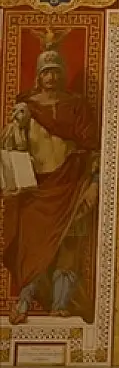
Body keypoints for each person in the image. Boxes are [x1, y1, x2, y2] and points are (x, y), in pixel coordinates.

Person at [1, 39, 100, 324]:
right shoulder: (27, 107)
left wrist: (93, 184)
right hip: (38, 190)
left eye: (56, 70)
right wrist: (17, 127)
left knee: (69, 246)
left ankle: (60, 304)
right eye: (47, 71)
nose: (52, 76)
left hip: (71, 186)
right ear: (39, 75)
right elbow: (12, 149)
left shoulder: (77, 106)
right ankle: (24, 301)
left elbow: (92, 149)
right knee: (35, 248)